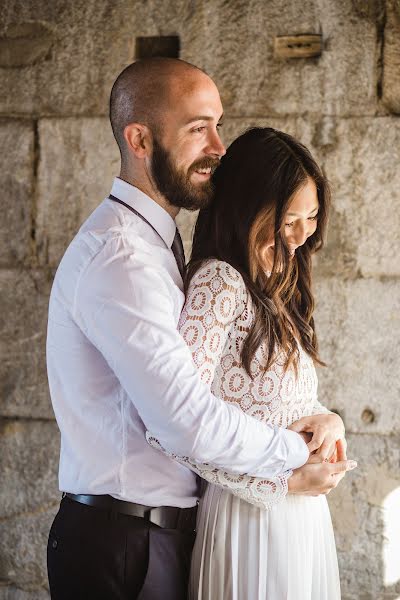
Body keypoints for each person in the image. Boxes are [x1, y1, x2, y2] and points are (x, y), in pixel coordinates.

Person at [46, 58, 353, 600]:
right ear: (139, 139)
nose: (219, 146)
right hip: (125, 544)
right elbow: (183, 420)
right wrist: (289, 460)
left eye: (218, 123)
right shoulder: (123, 258)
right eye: (197, 128)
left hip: (154, 534)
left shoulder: (159, 244)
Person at [149, 127, 356, 599]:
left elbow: (281, 393)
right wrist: (280, 483)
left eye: (312, 217)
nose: (303, 236)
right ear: (249, 208)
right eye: (289, 220)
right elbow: (174, 427)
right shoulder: (219, 283)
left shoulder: (279, 279)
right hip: (250, 515)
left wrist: (328, 418)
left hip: (301, 516)